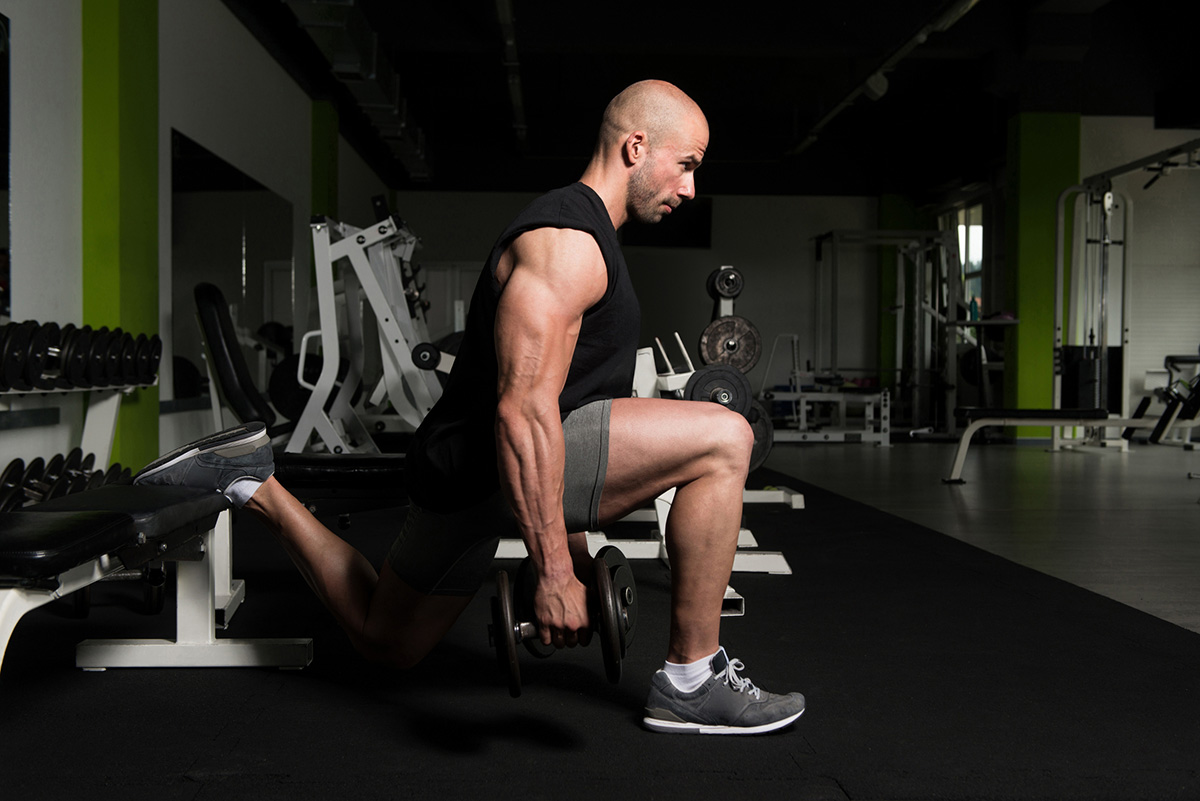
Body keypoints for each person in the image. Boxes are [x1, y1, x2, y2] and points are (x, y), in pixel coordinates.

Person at [136, 80, 804, 735]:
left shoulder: (582, 234)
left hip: (458, 474)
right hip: (491, 457)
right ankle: (692, 678)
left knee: (384, 639)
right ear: (636, 146)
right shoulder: (568, 244)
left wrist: (571, 552)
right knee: (725, 436)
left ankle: (252, 481)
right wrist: (550, 572)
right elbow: (525, 413)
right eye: (686, 165)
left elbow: (567, 407)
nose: (690, 187)